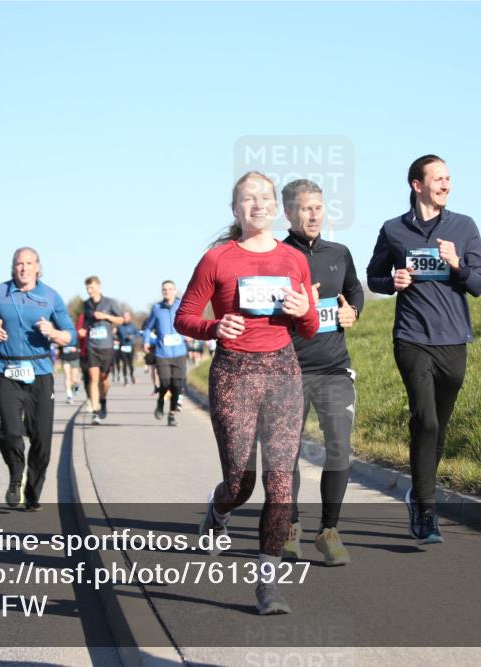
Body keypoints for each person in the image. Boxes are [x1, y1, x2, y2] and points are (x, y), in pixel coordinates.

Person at [176, 171, 318, 615]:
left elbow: (309, 328)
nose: (257, 204)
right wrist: (215, 327)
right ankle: (218, 512)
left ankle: (268, 585)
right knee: (241, 481)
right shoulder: (217, 259)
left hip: (282, 371)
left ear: (276, 207)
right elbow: (184, 318)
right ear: (235, 210)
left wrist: (304, 310)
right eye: (247, 199)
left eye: (264, 197)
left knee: (280, 487)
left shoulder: (294, 260)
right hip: (234, 372)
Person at [366, 154, 481, 546]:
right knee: (426, 419)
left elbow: (478, 284)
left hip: (453, 340)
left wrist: (457, 265)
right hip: (412, 338)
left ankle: (417, 490)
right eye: (438, 179)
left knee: (440, 426)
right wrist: (393, 280)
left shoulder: (464, 227)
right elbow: (374, 276)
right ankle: (425, 508)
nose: (446, 185)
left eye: (449, 178)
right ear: (417, 185)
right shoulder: (393, 230)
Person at [280, 179, 364, 566]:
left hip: (333, 368)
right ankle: (290, 528)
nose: (314, 214)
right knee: (287, 455)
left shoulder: (339, 252)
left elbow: (354, 290)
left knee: (339, 448)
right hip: (288, 370)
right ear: (288, 214)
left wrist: (353, 312)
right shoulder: (276, 257)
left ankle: (329, 530)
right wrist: (299, 307)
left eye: (318, 207)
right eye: (305, 208)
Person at [0, 247, 76, 510]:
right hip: (6, 371)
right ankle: (15, 475)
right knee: (10, 432)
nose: (23, 268)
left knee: (42, 439)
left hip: (40, 373)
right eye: (18, 264)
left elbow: (70, 335)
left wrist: (53, 332)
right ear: (13, 267)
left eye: (28, 263)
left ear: (38, 267)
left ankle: (32, 492)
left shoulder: (50, 296)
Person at [142, 280, 189, 426]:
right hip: (163, 353)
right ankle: (161, 400)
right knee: (165, 382)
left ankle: (172, 413)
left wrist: (190, 333)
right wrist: (146, 341)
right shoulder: (156, 308)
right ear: (162, 292)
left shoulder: (182, 305)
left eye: (170, 289)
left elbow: (191, 320)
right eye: (164, 290)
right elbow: (148, 328)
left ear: (175, 291)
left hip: (180, 352)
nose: (167, 292)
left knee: (177, 385)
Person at [80, 276, 124, 424]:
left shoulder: (109, 302)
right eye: (87, 288)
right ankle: (95, 411)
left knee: (104, 379)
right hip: (92, 346)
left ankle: (103, 399)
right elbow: (86, 321)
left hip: (107, 347)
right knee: (93, 378)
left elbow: (121, 319)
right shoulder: (86, 304)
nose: (89, 290)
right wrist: (83, 330)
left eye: (91, 287)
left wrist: (105, 316)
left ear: (99, 286)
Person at [116, 311, 139, 386]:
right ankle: (125, 379)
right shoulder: (119, 326)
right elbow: (116, 336)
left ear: (129, 317)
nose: (125, 318)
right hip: (122, 347)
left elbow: (137, 334)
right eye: (124, 317)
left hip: (130, 346)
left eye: (126, 317)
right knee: (124, 363)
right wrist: (116, 338)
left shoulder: (133, 326)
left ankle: (132, 375)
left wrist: (133, 337)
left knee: (130, 364)